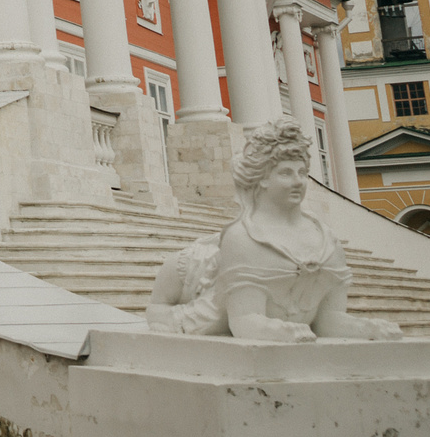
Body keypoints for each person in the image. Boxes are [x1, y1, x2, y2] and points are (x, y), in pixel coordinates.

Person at [146, 118, 404, 343]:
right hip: (202, 306)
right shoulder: (243, 238)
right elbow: (244, 320)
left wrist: (366, 327)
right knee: (182, 269)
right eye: (286, 173)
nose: (298, 181)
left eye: (302, 172)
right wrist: (281, 331)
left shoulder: (326, 240)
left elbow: (326, 320)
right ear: (263, 178)